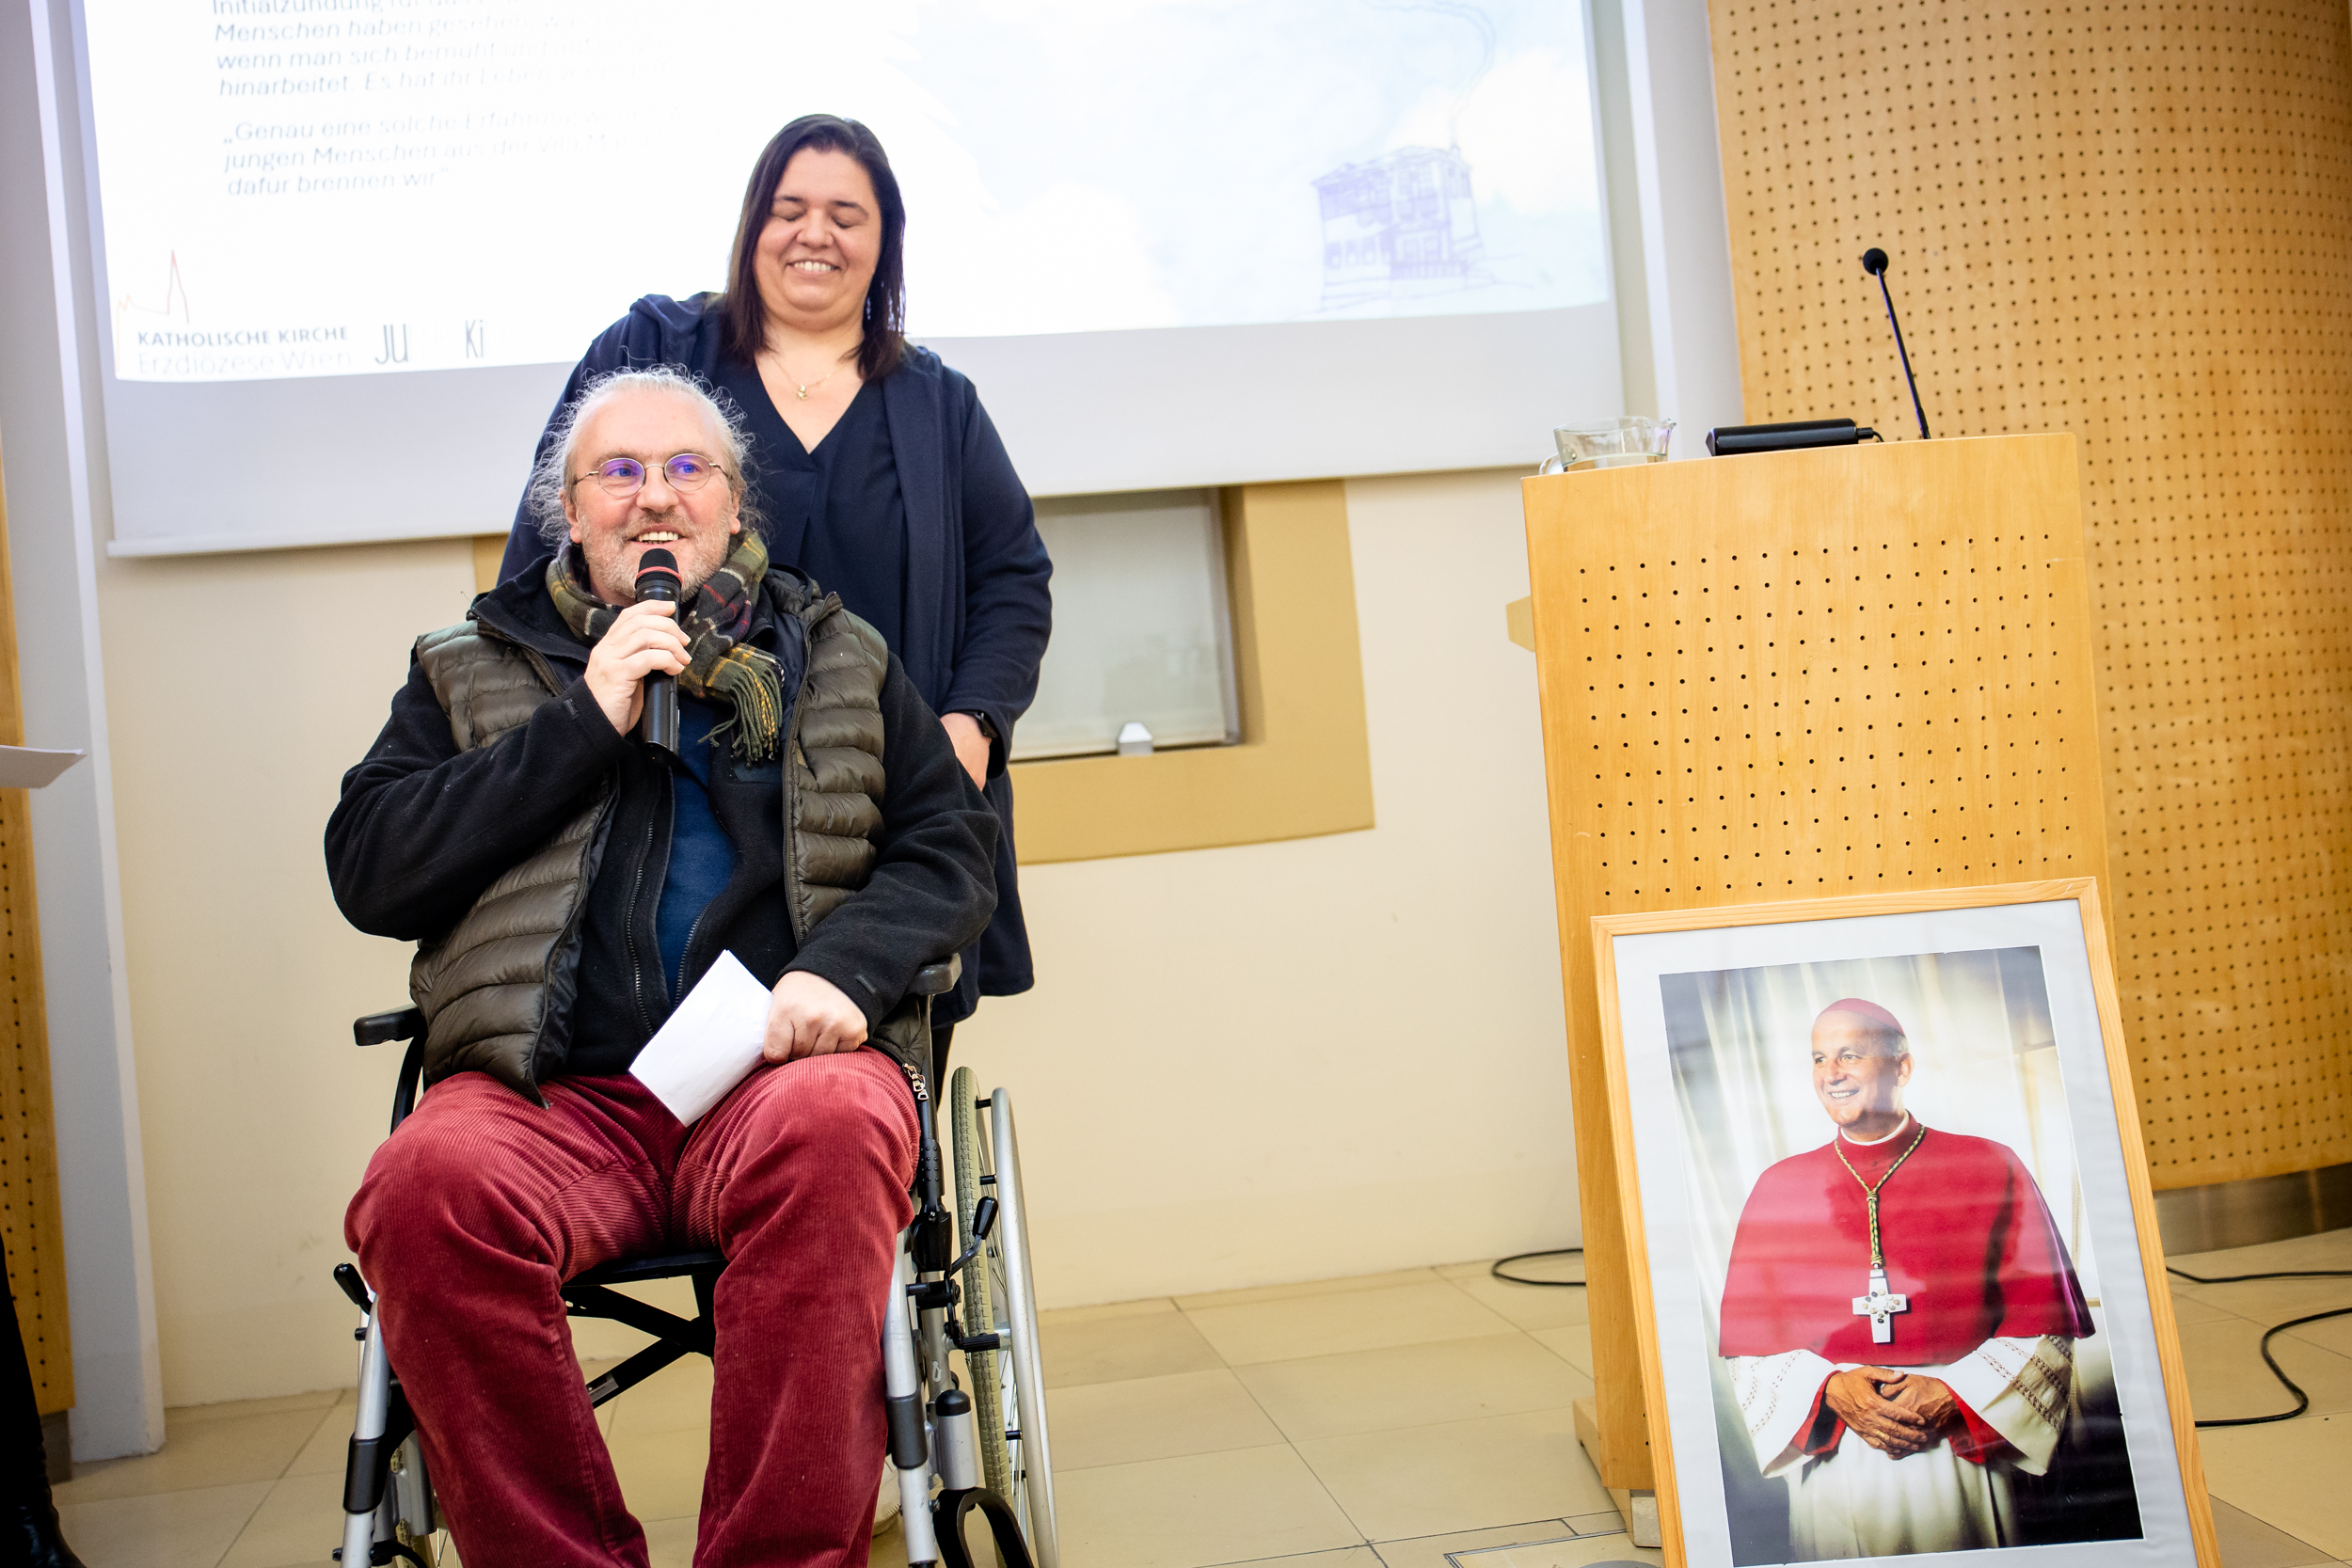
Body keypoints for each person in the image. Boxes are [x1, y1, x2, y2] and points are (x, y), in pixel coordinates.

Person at [326, 367, 998, 1566]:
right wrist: (582, 719)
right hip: (550, 1097)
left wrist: (844, 970)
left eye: (688, 468)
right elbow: (371, 867)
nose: (655, 496)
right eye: (620, 472)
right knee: (422, 1185)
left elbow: (949, 846)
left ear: (733, 505)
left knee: (841, 1123)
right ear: (569, 511)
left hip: (770, 1079)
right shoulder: (463, 665)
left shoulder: (838, 655)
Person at [495, 114, 1051, 1079]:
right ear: (753, 224)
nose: (814, 233)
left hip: (880, 807)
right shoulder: (655, 347)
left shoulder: (938, 404)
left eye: (847, 215)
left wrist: (970, 729)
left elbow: (1013, 580)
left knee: (856, 1091)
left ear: (884, 243)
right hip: (672, 802)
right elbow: (550, 538)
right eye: (789, 209)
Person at [1716, 999, 2094, 1559]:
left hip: (1959, 1448)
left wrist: (1953, 1392)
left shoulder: (1989, 1166)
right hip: (1838, 1450)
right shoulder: (1779, 1187)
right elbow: (1751, 1345)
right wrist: (1830, 1389)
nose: (1831, 1073)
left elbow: (2045, 1324)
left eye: (1850, 1055)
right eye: (1819, 1058)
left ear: (1903, 1067)